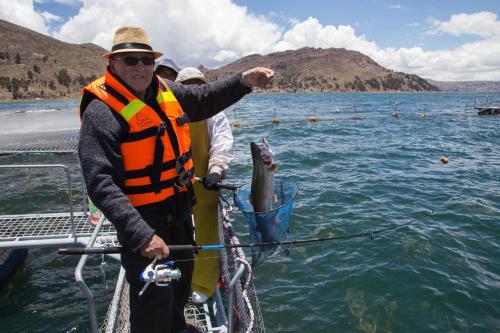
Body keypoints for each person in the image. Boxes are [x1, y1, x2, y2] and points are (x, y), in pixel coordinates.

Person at [78, 26, 274, 333]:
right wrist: (140, 234)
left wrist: (243, 82)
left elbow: (205, 97)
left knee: (179, 285)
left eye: (146, 60)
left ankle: (178, 326)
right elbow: (100, 183)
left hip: (179, 214)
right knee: (152, 302)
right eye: (131, 60)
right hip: (143, 222)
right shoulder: (101, 112)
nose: (140, 67)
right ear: (113, 63)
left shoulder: (164, 91)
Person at [173, 67, 232, 303]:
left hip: (205, 186)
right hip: (173, 186)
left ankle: (203, 283)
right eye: (187, 85)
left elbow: (222, 144)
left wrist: (216, 170)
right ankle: (176, 280)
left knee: (207, 234)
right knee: (176, 232)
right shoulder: (166, 113)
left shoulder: (214, 114)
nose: (193, 89)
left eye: (198, 84)